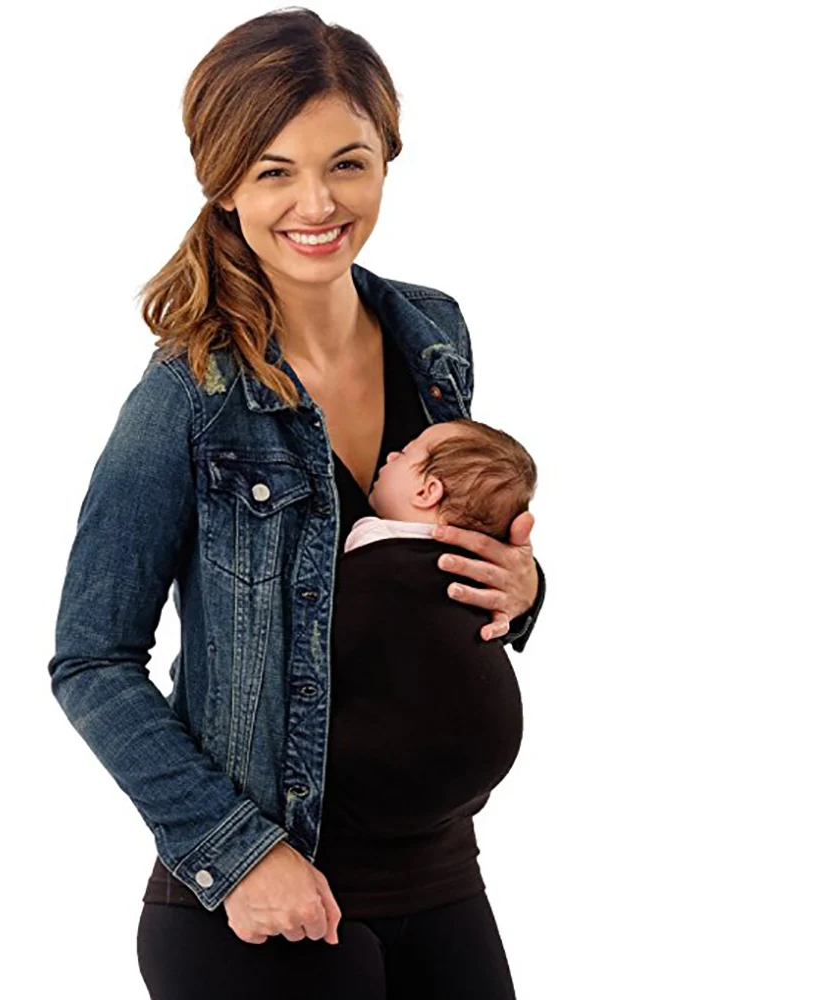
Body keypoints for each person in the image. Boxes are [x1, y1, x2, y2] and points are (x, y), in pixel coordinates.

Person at [48, 9, 546, 999]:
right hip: (263, 899)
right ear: (224, 183)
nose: (317, 203)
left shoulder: (434, 336)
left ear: (387, 158)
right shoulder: (188, 395)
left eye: (346, 164)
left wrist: (522, 590)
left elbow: (416, 565)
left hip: (441, 874)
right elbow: (90, 657)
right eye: (274, 170)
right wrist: (235, 852)